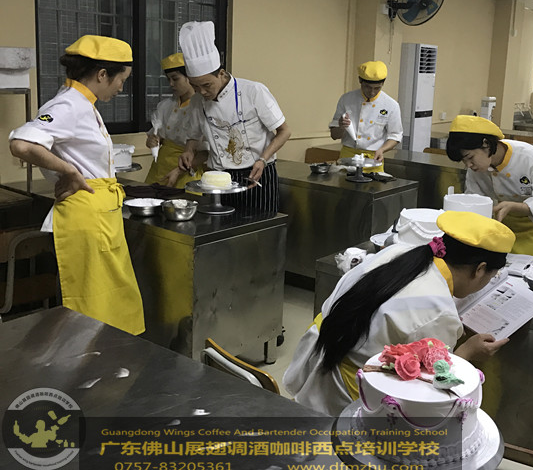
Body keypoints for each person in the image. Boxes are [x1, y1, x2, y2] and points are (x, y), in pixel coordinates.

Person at [283, 210, 514, 416]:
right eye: (491, 276)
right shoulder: (439, 313)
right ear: (480, 269)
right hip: (349, 389)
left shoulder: (400, 252)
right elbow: (432, 382)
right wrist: (468, 351)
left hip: (320, 351)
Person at [8, 35, 145, 335]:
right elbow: (21, 144)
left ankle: (109, 354)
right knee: (91, 304)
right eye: (122, 80)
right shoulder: (68, 105)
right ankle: (90, 358)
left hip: (99, 216)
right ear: (102, 74)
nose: (122, 88)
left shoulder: (83, 104)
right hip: (86, 217)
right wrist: (68, 170)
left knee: (112, 299)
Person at [177, 21, 291, 216]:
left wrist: (263, 160)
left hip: (257, 173)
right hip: (218, 178)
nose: (201, 92)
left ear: (221, 74)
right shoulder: (197, 102)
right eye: (195, 86)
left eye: (206, 85)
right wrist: (189, 151)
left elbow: (284, 131)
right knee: (221, 229)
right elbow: (194, 135)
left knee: (259, 228)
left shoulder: (253, 91)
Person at [446, 115, 533, 256]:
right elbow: (474, 199)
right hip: (502, 224)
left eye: (470, 157)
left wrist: (513, 206)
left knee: (527, 266)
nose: (468, 165)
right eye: (464, 161)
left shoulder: (531, 159)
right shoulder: (476, 168)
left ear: (486, 144)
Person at [328, 60, 402, 173]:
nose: (372, 92)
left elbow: (395, 136)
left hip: (374, 159)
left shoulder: (391, 105)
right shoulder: (346, 99)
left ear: (383, 83)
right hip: (348, 159)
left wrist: (382, 149)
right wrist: (341, 126)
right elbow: (334, 135)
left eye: (377, 88)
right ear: (360, 81)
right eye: (367, 87)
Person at [144, 53, 205, 187]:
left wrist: (180, 169)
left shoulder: (202, 107)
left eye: (175, 79)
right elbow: (158, 136)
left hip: (187, 168)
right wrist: (153, 141)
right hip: (161, 166)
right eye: (168, 79)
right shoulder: (165, 106)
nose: (171, 84)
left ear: (190, 77)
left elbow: (206, 152)